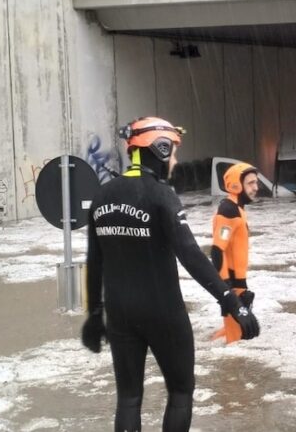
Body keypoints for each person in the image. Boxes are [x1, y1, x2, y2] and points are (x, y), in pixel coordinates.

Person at [82, 116, 260, 432]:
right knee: (180, 392)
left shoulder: (101, 196)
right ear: (160, 149)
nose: (176, 159)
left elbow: (94, 262)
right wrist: (233, 302)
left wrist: (94, 314)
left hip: (120, 313)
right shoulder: (162, 195)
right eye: (173, 151)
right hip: (163, 311)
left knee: (128, 398)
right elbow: (191, 255)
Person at [211, 162, 259, 343]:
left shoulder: (237, 209)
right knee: (236, 343)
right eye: (251, 183)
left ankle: (220, 337)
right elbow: (217, 250)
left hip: (238, 283)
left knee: (239, 335)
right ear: (236, 185)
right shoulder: (229, 211)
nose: (256, 188)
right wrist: (226, 287)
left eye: (256, 183)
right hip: (232, 285)